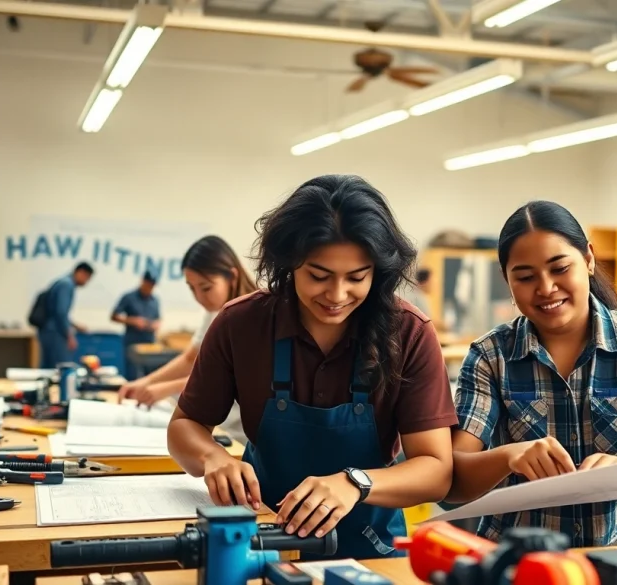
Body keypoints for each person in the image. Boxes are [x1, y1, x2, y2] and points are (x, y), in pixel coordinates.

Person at [167, 174, 457, 560]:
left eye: (357, 278)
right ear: (289, 263)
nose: (337, 296)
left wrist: (356, 483)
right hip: (259, 541)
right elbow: (184, 426)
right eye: (318, 276)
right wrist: (212, 457)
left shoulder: (408, 333)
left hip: (367, 547)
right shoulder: (241, 324)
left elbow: (436, 470)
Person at [445, 200, 617, 547]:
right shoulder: (491, 356)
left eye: (559, 268)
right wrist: (510, 457)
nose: (545, 288)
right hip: (520, 565)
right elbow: (453, 480)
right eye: (525, 277)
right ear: (506, 280)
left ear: (588, 258)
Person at [118, 236, 255, 443]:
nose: (199, 297)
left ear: (232, 277)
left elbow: (230, 377)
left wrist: (166, 388)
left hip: (242, 437)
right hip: (219, 428)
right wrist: (145, 382)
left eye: (206, 287)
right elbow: (190, 359)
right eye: (192, 288)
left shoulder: (253, 315)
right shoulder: (213, 313)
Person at [37, 262, 93, 368]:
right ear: (81, 273)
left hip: (49, 330)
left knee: (49, 366)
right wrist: (69, 335)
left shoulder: (61, 282)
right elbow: (61, 312)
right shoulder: (66, 285)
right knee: (61, 367)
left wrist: (75, 325)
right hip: (55, 332)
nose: (86, 282)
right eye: (87, 278)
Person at [111, 271, 161, 380]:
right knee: (132, 375)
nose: (149, 288)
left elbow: (158, 319)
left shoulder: (155, 300)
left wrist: (156, 325)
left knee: (150, 376)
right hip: (132, 342)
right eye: (148, 284)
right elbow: (114, 316)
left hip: (148, 344)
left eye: (152, 286)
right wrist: (133, 321)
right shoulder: (128, 297)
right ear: (143, 281)